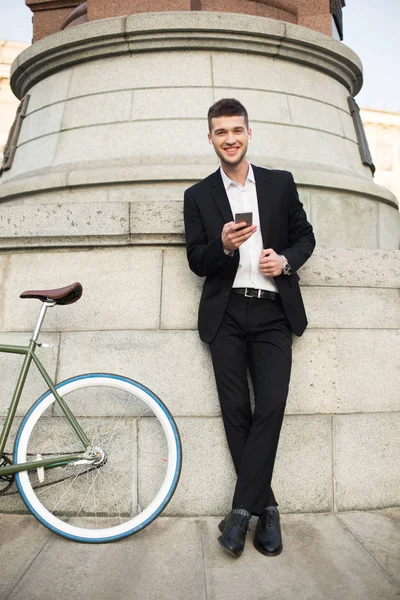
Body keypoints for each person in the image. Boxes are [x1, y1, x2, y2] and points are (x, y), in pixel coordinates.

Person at [183, 98, 315, 558]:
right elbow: (196, 261)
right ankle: (269, 510)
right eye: (221, 132)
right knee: (236, 413)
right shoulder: (198, 196)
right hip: (226, 314)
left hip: (273, 312)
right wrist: (220, 245)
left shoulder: (279, 185)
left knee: (272, 405)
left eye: (236, 130)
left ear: (248, 133)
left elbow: (305, 237)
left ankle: (240, 513)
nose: (230, 138)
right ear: (211, 139)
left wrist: (285, 260)